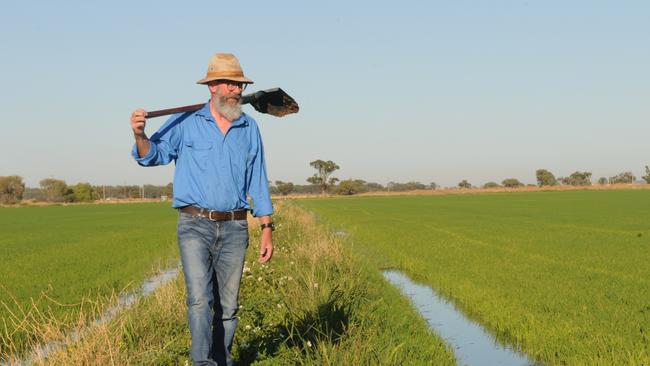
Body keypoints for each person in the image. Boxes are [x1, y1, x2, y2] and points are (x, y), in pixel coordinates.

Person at [130, 53, 274, 366]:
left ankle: (222, 359)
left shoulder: (249, 127)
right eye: (230, 84)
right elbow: (152, 155)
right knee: (199, 300)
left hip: (236, 227)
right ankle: (202, 363)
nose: (236, 90)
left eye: (240, 84)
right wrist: (140, 135)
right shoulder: (186, 122)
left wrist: (266, 228)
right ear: (212, 86)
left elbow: (258, 179)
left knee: (229, 305)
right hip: (195, 225)